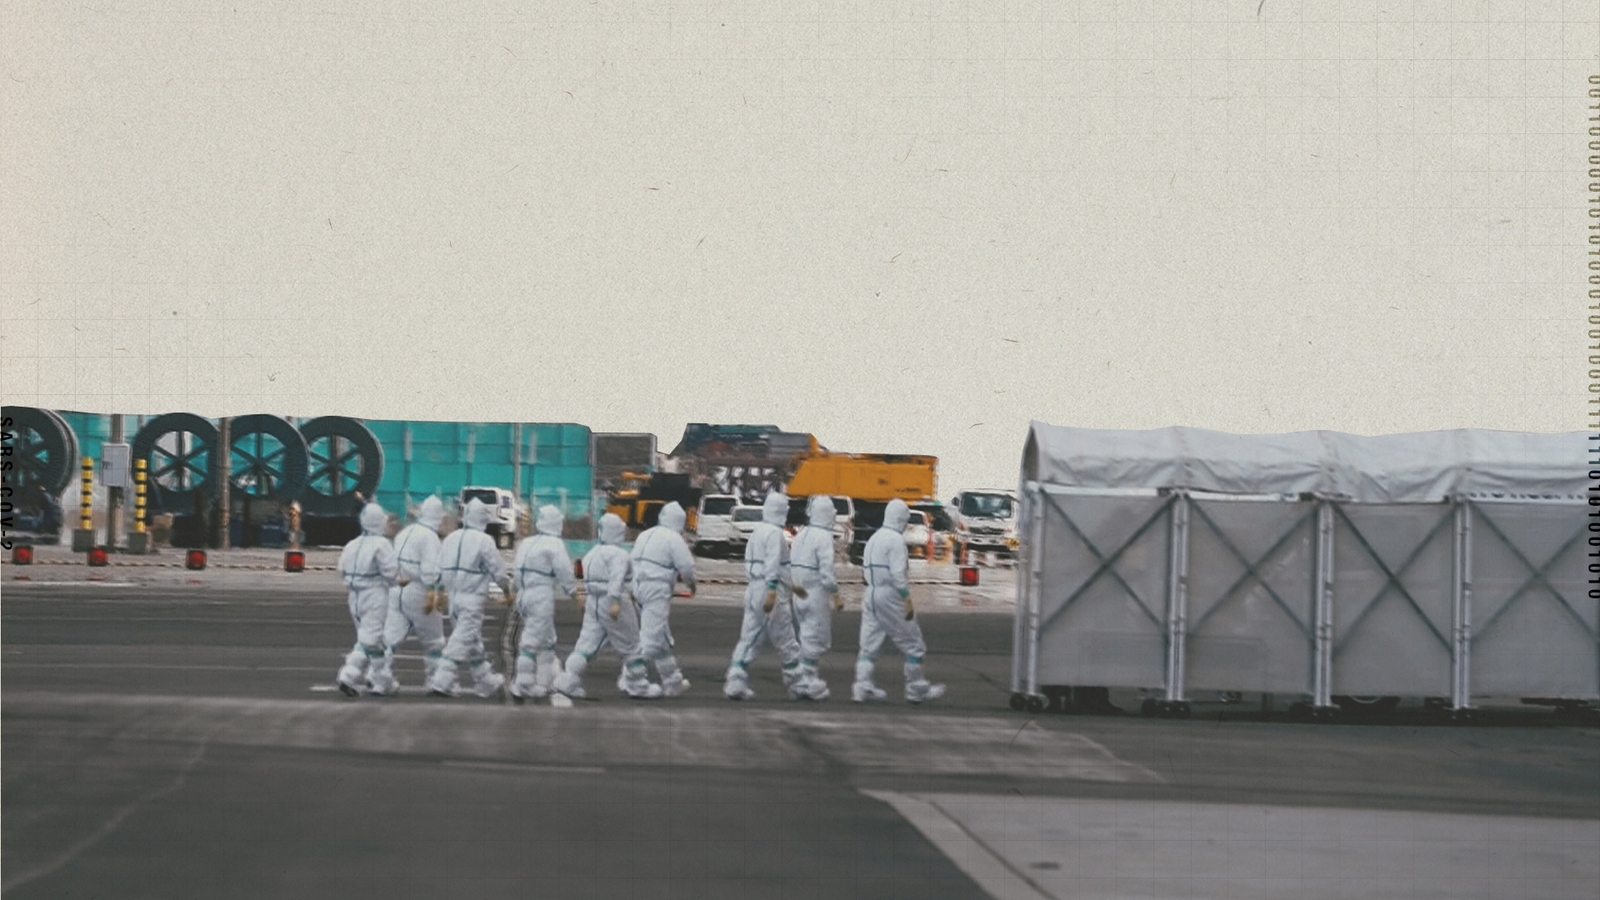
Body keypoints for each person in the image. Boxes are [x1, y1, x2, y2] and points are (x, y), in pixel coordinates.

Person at [723, 491, 826, 701]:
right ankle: (799, 683)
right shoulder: (774, 534)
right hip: (771, 592)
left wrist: (791, 586)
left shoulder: (758, 532)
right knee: (786, 638)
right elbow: (773, 564)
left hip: (754, 589)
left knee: (750, 636)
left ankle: (736, 679)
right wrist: (772, 589)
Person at [553, 513, 662, 699]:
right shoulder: (618, 554)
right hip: (612, 602)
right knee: (631, 644)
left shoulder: (592, 553)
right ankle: (638, 684)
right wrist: (616, 601)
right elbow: (617, 579)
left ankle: (568, 679)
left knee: (586, 644)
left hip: (593, 602)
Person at [855, 498, 946, 704]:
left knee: (869, 643)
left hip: (871, 593)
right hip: (890, 595)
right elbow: (898, 574)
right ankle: (915, 688)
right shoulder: (895, 540)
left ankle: (862, 686)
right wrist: (906, 598)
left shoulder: (874, 538)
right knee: (914, 644)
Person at [426, 497, 509, 699]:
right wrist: (507, 591)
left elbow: (437, 568)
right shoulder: (484, 541)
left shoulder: (451, 538)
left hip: (453, 599)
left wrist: (437, 591)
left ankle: (485, 681)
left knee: (472, 641)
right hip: (472, 599)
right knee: (461, 641)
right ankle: (441, 681)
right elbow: (497, 570)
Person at [508, 505, 577, 702]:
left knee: (546, 638)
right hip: (541, 595)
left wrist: (513, 591)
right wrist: (574, 593)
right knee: (531, 641)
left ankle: (544, 680)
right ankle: (523, 684)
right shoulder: (555, 544)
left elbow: (516, 570)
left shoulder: (526, 542)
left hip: (524, 595)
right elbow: (564, 571)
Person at [629, 501, 695, 697]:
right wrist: (691, 584)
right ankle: (631, 678)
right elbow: (686, 566)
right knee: (651, 638)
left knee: (660, 636)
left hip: (637, 587)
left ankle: (672, 680)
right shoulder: (673, 538)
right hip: (656, 588)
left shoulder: (645, 535)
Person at [335, 502, 399, 696]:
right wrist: (399, 582)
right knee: (370, 639)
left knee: (369, 639)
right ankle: (350, 675)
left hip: (354, 597)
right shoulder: (381, 544)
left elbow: (341, 569)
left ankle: (383, 681)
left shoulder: (352, 544)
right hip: (374, 596)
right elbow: (391, 573)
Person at [383, 495, 446, 689]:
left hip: (397, 589)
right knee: (434, 640)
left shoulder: (405, 532)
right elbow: (430, 569)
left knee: (390, 637)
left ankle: (378, 676)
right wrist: (433, 592)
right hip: (419, 590)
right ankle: (436, 681)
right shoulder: (429, 537)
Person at [789, 494, 843, 698]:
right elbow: (827, 572)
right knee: (815, 638)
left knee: (806, 637)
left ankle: (805, 679)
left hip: (798, 594)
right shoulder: (823, 538)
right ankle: (806, 681)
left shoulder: (801, 534)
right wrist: (835, 595)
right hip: (815, 595)